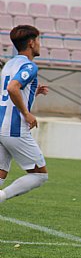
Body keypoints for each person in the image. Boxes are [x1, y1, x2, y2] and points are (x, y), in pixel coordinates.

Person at [0, 25, 49, 203]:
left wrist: (33, 92)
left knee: (1, 174)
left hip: (1, 125)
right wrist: (26, 113)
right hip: (14, 128)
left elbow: (9, 92)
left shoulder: (9, 64)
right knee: (39, 175)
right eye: (38, 40)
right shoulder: (30, 66)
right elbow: (12, 88)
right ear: (31, 42)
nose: (39, 44)